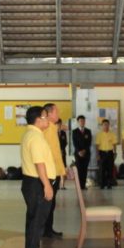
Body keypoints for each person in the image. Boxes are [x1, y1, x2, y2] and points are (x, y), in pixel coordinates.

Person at [20, 106, 55, 248]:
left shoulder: (32, 134)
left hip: (32, 183)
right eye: (45, 117)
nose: (48, 120)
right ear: (37, 120)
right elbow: (39, 163)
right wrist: (47, 185)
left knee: (34, 221)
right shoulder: (35, 137)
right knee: (36, 222)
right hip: (37, 184)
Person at [42, 102, 66, 238]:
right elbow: (50, 154)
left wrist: (62, 171)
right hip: (50, 172)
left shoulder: (52, 127)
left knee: (51, 203)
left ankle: (48, 229)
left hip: (55, 171)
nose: (58, 114)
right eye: (56, 112)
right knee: (48, 203)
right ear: (49, 114)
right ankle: (45, 230)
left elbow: (57, 152)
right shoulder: (47, 129)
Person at [72, 115, 92, 189]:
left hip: (86, 153)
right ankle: (79, 185)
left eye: (83, 121)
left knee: (85, 170)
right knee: (79, 169)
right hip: (78, 154)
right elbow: (75, 143)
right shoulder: (75, 131)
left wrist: (84, 150)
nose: (82, 122)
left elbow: (89, 142)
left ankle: (83, 185)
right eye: (80, 121)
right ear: (78, 122)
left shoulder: (88, 131)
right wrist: (79, 151)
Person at [96, 119, 117, 189]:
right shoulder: (99, 134)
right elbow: (97, 145)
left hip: (110, 153)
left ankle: (109, 184)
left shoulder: (112, 134)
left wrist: (115, 152)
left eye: (107, 125)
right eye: (104, 125)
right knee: (102, 169)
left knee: (110, 169)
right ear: (102, 126)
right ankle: (102, 184)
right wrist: (98, 154)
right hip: (102, 153)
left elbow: (114, 144)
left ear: (109, 125)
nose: (106, 126)